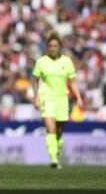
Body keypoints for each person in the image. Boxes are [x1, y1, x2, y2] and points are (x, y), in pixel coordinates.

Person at [32, 31, 83, 169]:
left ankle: (56, 153)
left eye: (55, 46)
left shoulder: (67, 62)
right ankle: (53, 158)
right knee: (51, 128)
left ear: (59, 47)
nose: (53, 48)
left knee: (60, 131)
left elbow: (73, 82)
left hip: (62, 98)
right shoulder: (41, 62)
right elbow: (35, 81)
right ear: (47, 47)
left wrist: (79, 98)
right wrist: (36, 97)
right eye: (50, 46)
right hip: (46, 97)